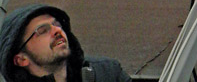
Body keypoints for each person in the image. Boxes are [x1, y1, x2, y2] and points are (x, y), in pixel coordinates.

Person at [0, 4, 131, 82]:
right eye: (42, 31)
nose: (57, 30)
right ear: (21, 59)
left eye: (57, 24)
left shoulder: (108, 73)